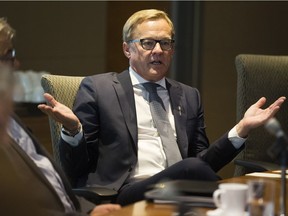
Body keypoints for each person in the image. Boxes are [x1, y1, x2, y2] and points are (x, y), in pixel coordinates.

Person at [38, 9, 286, 206]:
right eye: (147, 43)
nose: (158, 50)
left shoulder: (189, 95)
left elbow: (204, 164)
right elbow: (75, 169)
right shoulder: (98, 88)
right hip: (126, 192)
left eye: (165, 43)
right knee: (204, 175)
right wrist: (72, 130)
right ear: (127, 49)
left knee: (195, 169)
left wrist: (241, 129)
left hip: (183, 188)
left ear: (172, 49)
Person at [0, 18, 121, 215]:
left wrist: (89, 210)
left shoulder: (12, 120)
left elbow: (52, 184)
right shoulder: (99, 90)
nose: (17, 64)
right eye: (9, 56)